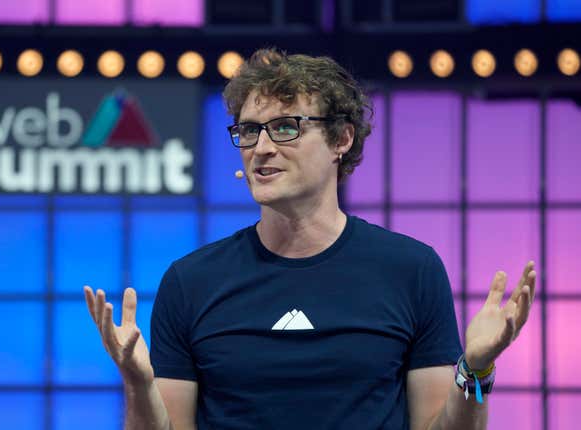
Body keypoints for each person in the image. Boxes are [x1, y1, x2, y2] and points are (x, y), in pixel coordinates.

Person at [84, 48, 536, 429]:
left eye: (285, 127)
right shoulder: (191, 281)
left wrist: (475, 371)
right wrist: (138, 384)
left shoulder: (411, 270)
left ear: (341, 138)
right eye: (248, 131)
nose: (261, 148)